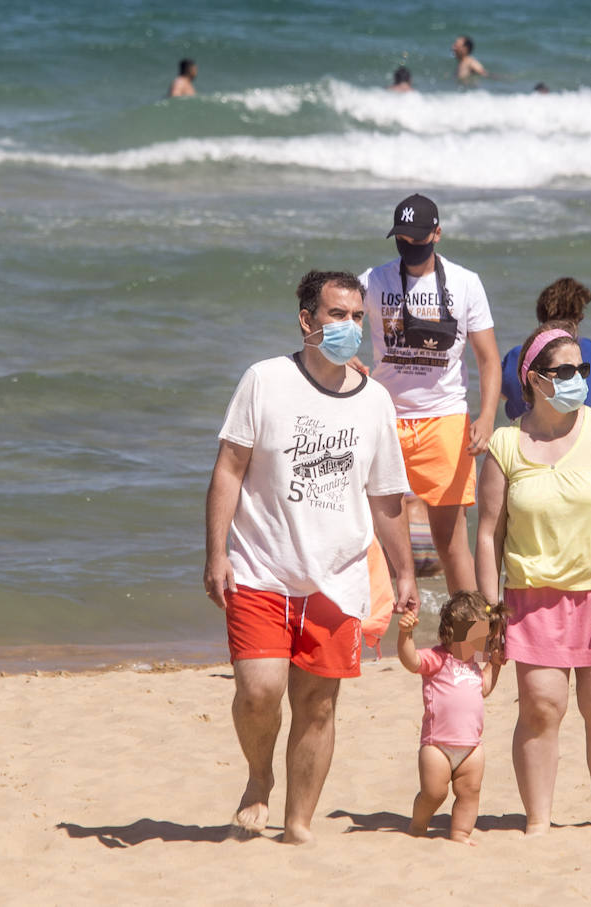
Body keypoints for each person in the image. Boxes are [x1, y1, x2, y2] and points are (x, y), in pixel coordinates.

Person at [203, 269, 420, 845]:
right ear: (308, 321)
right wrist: (216, 553)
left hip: (338, 577)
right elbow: (229, 467)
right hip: (260, 566)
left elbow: (386, 497)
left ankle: (297, 824)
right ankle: (257, 778)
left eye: (357, 316)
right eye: (337, 315)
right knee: (260, 690)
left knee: (318, 705)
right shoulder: (265, 381)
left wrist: (403, 573)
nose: (350, 326)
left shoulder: (375, 401)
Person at [476, 323, 591, 836]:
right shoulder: (506, 445)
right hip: (532, 602)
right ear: (533, 379)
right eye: (565, 371)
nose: (577, 378)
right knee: (540, 710)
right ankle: (537, 821)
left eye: (583, 369)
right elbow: (487, 534)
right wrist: (491, 611)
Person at [358, 193, 500, 595]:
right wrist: (346, 357)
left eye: (419, 239)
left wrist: (487, 419)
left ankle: (467, 639)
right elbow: (331, 315)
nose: (411, 247)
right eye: (402, 239)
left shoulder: (465, 282)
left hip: (445, 420)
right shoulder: (373, 280)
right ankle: (379, 640)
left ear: (437, 234)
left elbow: (488, 358)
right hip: (385, 419)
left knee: (450, 542)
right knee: (374, 538)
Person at [397, 590, 505, 844]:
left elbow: (485, 688)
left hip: (472, 747)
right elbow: (410, 660)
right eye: (476, 637)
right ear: (451, 633)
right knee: (433, 794)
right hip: (437, 745)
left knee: (470, 792)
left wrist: (495, 664)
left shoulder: (475, 662)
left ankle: (460, 833)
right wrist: (405, 635)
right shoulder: (437, 658)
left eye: (484, 638)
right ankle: (418, 826)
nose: (482, 645)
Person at [500, 277, 591, 421]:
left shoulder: (517, 355)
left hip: (533, 431)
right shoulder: (590, 348)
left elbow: (502, 393)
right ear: (579, 317)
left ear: (541, 316)